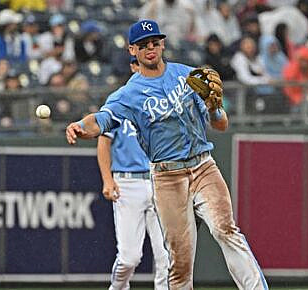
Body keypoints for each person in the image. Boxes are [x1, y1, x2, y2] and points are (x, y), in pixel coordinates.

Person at [65, 19, 268, 290]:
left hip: (202, 166)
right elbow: (101, 121)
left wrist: (213, 107)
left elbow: (221, 125)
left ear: (162, 45)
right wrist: (80, 126)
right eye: (143, 45)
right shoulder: (128, 94)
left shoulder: (188, 76)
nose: (150, 48)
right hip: (167, 177)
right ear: (132, 51)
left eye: (155, 43)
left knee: (225, 229)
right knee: (180, 259)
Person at [97, 57, 168, 290]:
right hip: (127, 183)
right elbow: (103, 141)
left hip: (158, 180)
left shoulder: (159, 101)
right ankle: (117, 288)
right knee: (130, 258)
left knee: (166, 257)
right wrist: (107, 179)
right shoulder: (119, 101)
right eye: (140, 65)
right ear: (133, 66)